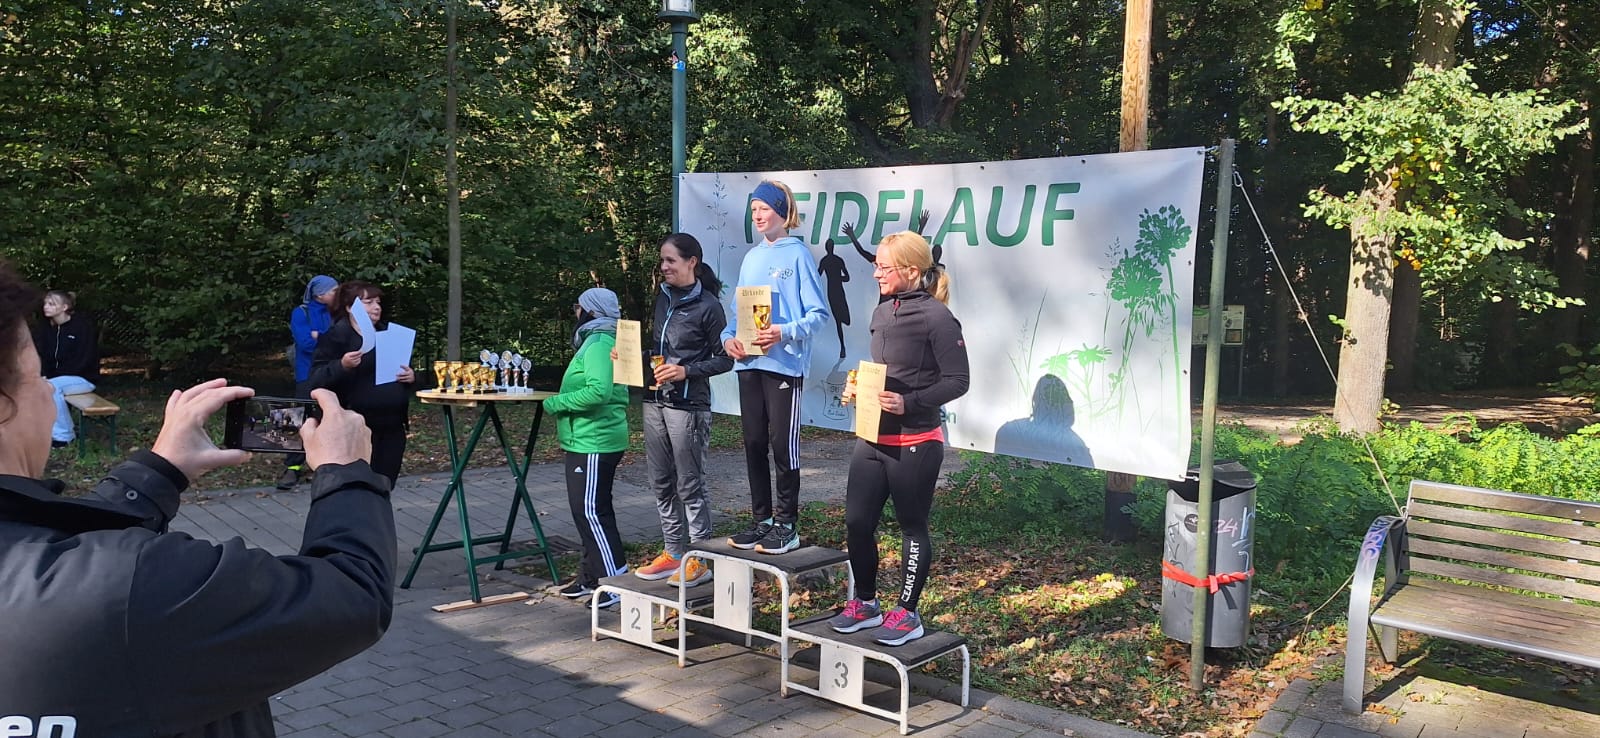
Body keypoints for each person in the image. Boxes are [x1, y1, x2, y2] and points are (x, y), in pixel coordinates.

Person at [0, 261, 395, 736]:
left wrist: (157, 472)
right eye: (39, 377)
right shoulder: (134, 585)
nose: (49, 393)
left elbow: (60, 555)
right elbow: (352, 596)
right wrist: (347, 473)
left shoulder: (72, 575)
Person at [829, 231, 969, 646]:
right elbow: (886, 371)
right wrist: (861, 386)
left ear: (910, 270)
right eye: (875, 265)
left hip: (916, 441)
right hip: (873, 438)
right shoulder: (882, 311)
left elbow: (958, 380)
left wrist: (909, 402)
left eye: (883, 267)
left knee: (911, 527)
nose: (876, 273)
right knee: (857, 523)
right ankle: (866, 603)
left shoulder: (938, 318)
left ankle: (908, 614)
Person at [720, 180, 830, 555]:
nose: (757, 216)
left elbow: (818, 315)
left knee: (783, 445)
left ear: (782, 212)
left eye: (764, 209)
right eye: (753, 210)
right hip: (748, 364)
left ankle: (786, 524)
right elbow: (736, 316)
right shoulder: (751, 258)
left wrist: (783, 332)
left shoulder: (798, 255)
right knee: (753, 443)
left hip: (784, 365)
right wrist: (727, 339)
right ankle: (762, 520)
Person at [633, 234, 733, 587]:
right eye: (662, 260)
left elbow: (725, 360)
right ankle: (674, 552)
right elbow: (658, 350)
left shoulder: (709, 306)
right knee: (661, 482)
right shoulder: (662, 298)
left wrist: (685, 371)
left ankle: (699, 558)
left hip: (688, 406)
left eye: (671, 260)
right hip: (654, 400)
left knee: (690, 484)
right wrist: (630, 357)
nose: (664, 267)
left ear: (692, 262)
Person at [547, 287, 631, 607]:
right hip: (586, 438)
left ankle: (615, 583)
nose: (575, 313)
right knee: (588, 511)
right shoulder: (598, 340)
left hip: (594, 440)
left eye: (578, 307)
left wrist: (556, 403)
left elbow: (598, 392)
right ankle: (592, 575)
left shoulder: (599, 343)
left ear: (591, 311)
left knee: (591, 512)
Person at [308, 280, 415, 486]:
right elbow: (316, 380)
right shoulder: (336, 337)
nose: (376, 307)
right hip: (355, 428)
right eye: (369, 302)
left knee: (385, 484)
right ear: (350, 307)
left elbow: (400, 373)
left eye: (378, 302)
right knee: (357, 485)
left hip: (391, 427)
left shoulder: (389, 335)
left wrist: (411, 377)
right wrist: (342, 365)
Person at [281, 274, 338, 489]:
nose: (338, 293)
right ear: (320, 294)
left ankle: (325, 466)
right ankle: (292, 467)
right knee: (298, 418)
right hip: (306, 374)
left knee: (329, 418)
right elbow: (305, 344)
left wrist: (319, 336)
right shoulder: (301, 313)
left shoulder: (337, 313)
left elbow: (342, 340)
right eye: (334, 291)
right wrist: (327, 339)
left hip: (332, 373)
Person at [32, 289, 99, 448]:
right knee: (37, 385)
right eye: (45, 304)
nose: (46, 307)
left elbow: (86, 358)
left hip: (83, 378)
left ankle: (64, 436)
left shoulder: (82, 328)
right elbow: (43, 357)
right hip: (57, 379)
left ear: (64, 307)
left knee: (52, 387)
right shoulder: (47, 329)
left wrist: (54, 378)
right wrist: (42, 375)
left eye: (51, 304)